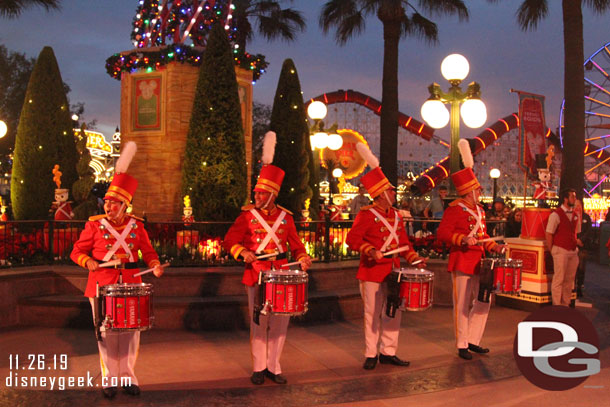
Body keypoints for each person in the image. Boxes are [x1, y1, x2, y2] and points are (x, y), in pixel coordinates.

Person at [70, 142, 163, 399]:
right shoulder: (94, 226)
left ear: (125, 205)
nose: (108, 207)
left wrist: (154, 264)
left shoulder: (137, 226)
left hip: (131, 282)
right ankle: (109, 379)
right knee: (106, 332)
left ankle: (128, 377)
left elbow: (148, 251)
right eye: (107, 203)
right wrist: (87, 261)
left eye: (114, 203)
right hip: (101, 284)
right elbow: (76, 251)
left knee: (131, 334)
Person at [223, 131, 312, 386]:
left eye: (262, 194)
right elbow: (230, 241)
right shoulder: (247, 217)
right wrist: (244, 253)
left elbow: (296, 245)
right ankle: (259, 367)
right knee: (259, 321)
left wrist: (303, 257)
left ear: (273, 195)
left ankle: (275, 367)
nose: (258, 197)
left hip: (282, 273)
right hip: (257, 272)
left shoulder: (286, 218)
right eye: (257, 193)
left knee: (281, 323)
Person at [346, 143, 426, 370]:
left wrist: (414, 259)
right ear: (381, 194)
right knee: (372, 314)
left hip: (393, 270)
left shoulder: (398, 216)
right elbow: (351, 240)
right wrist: (370, 250)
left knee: (393, 311)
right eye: (391, 190)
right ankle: (371, 353)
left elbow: (404, 244)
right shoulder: (367, 215)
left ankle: (388, 351)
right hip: (372, 271)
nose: (394, 192)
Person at [437, 139, 505, 361]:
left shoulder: (480, 211)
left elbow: (483, 236)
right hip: (462, 260)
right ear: (468, 190)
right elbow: (443, 233)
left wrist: (494, 245)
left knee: (484, 300)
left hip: (479, 262)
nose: (480, 191)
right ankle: (462, 343)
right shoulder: (455, 209)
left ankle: (474, 339)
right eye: (477, 188)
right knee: (462, 304)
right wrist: (462, 239)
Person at [545, 188, 581, 306]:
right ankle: (557, 305)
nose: (574, 199)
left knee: (569, 280)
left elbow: (575, 232)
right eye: (572, 196)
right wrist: (553, 250)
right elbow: (549, 233)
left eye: (574, 197)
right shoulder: (556, 214)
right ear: (565, 199)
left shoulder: (576, 214)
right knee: (559, 279)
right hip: (561, 249)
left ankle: (565, 304)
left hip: (572, 251)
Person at [575, 205, 592, 298]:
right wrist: (576, 240)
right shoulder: (572, 216)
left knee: (581, 268)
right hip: (573, 246)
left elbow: (589, 231)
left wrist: (581, 240)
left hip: (583, 246)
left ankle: (579, 286)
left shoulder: (586, 217)